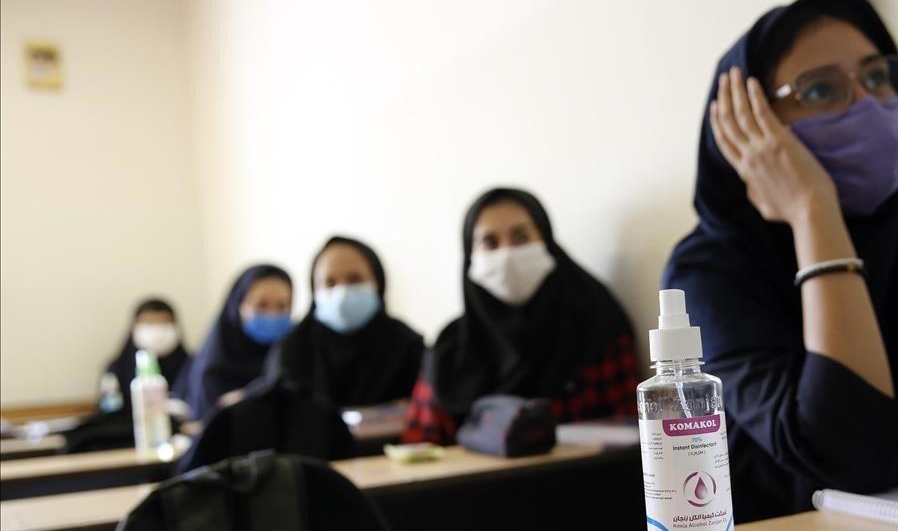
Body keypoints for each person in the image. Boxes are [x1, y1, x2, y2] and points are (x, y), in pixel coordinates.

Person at [663, 0, 898, 522]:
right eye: (820, 91)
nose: (868, 104)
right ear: (747, 129)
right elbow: (846, 457)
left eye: (879, 77)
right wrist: (814, 212)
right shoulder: (708, 271)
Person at [404, 187, 639, 445]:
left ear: (546, 240)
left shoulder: (596, 323)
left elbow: (630, 431)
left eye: (521, 237)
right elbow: (419, 446)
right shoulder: (453, 348)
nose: (506, 255)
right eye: (489, 243)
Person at [270, 236, 425, 409]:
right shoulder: (292, 350)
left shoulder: (408, 347)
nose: (342, 292)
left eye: (355, 280)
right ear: (314, 291)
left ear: (378, 283)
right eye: (329, 283)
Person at [174, 265, 293, 422]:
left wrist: (248, 396)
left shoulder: (295, 353)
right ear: (237, 305)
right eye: (261, 305)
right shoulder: (213, 367)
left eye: (282, 306)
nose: (272, 314)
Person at [99, 298, 190, 416]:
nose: (157, 331)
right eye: (149, 322)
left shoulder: (194, 367)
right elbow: (108, 411)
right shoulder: (117, 369)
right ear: (135, 327)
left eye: (164, 322)